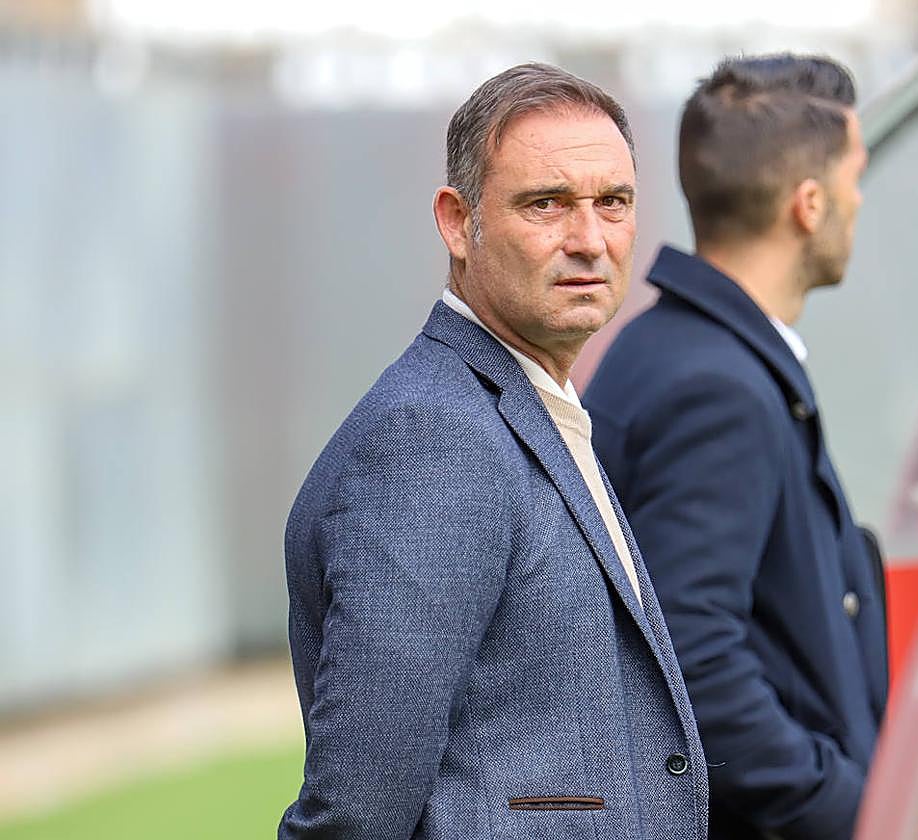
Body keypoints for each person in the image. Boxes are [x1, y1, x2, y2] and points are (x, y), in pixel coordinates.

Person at [279, 63, 708, 840]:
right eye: (546, 204)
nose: (589, 241)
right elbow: (356, 814)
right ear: (457, 222)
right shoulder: (432, 442)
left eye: (612, 202)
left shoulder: (524, 408)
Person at [585, 54, 888, 840]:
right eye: (854, 178)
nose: (860, 200)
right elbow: (693, 662)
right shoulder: (717, 389)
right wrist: (847, 808)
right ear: (809, 204)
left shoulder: (668, 349)